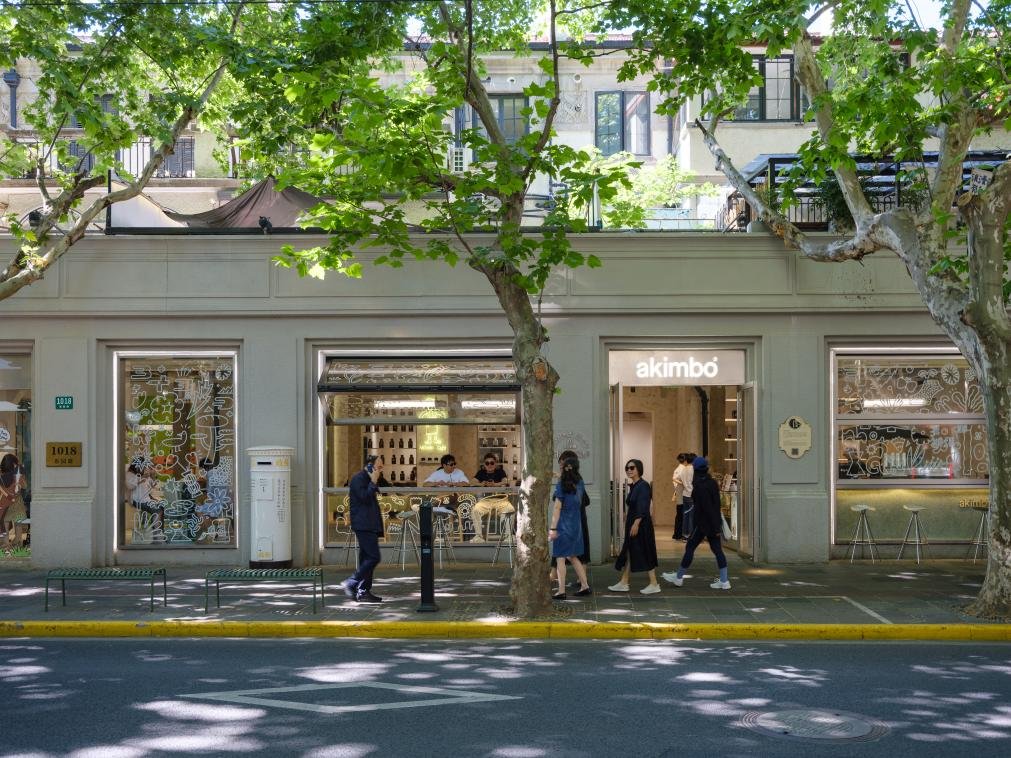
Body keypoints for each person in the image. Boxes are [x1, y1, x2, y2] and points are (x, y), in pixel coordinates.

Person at [662, 456, 731, 590]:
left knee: (690, 547)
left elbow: (706, 507)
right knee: (718, 551)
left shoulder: (699, 486)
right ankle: (724, 580)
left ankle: (678, 578)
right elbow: (716, 505)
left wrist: (709, 524)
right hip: (713, 523)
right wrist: (716, 525)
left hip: (702, 524)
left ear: (696, 469)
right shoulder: (712, 483)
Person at [609, 458, 660, 595]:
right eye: (627, 468)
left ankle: (654, 583)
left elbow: (643, 506)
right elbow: (634, 504)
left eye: (632, 468)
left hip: (641, 525)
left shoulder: (643, 486)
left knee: (645, 551)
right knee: (630, 551)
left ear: (639, 469)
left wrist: (636, 523)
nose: (629, 470)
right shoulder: (636, 485)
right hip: (634, 523)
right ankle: (624, 582)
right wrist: (628, 514)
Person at [341, 455, 385, 603]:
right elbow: (364, 497)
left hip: (370, 524)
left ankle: (364, 590)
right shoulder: (358, 479)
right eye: (379, 467)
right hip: (363, 524)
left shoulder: (368, 478)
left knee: (366, 558)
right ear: (370, 466)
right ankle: (352, 582)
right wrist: (373, 481)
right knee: (373, 557)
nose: (381, 470)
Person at [549, 456, 591, 599]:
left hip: (563, 525)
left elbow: (557, 508)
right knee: (572, 556)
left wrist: (553, 528)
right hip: (576, 525)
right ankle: (585, 586)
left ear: (564, 468)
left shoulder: (561, 485)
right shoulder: (580, 483)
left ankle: (561, 591)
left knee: (560, 557)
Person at [470, 454, 513, 543]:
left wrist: (495, 484)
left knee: (510, 510)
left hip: (500, 500)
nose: (489, 465)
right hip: (485, 500)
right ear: (484, 464)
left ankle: (508, 536)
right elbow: (472, 482)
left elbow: (506, 481)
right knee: (475, 510)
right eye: (487, 463)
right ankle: (479, 536)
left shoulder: (500, 471)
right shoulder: (481, 472)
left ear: (495, 463)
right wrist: (482, 484)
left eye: (492, 463)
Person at [0, 454, 28, 550]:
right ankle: (18, 542)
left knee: (5, 522)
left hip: (5, 502)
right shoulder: (18, 475)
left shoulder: (1, 476)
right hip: (17, 503)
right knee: (18, 523)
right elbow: (24, 486)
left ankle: (5, 544)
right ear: (13, 464)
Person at [675, 451, 696, 539]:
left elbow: (677, 479)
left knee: (686, 515)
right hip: (691, 495)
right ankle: (691, 535)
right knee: (691, 516)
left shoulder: (683, 469)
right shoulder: (693, 470)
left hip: (685, 495)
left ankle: (684, 535)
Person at [671, 452, 690, 540]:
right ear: (685, 460)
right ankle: (680, 534)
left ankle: (677, 534)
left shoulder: (677, 469)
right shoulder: (684, 469)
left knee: (679, 515)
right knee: (682, 515)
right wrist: (685, 484)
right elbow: (676, 479)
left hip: (679, 495)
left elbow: (674, 480)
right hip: (683, 495)